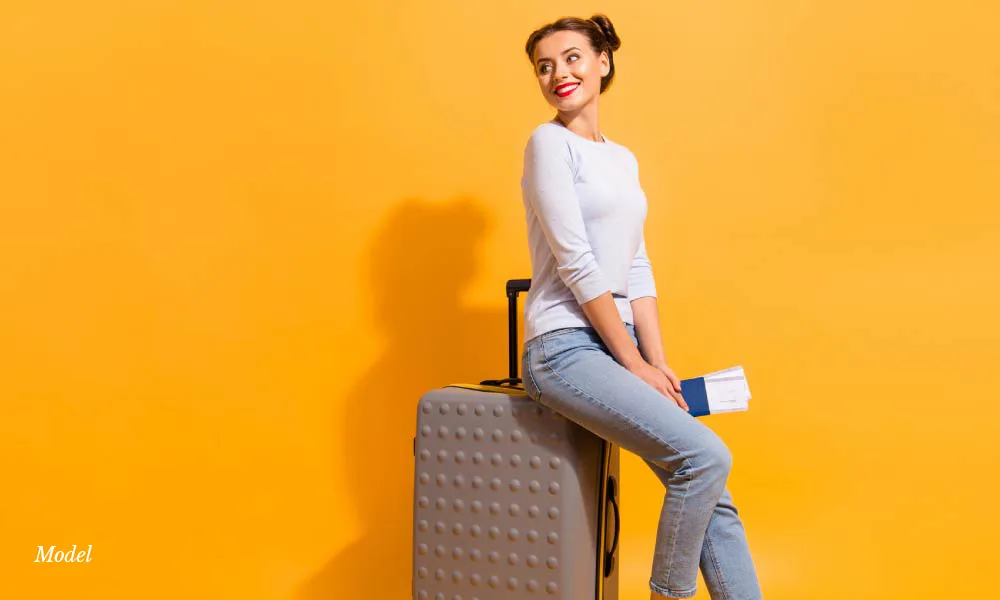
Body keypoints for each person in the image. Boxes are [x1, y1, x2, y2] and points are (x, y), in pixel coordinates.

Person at [519, 14, 764, 600]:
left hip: (618, 344)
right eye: (545, 66)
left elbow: (637, 267)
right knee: (704, 458)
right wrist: (633, 363)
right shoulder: (547, 144)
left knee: (711, 488)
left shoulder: (622, 160)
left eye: (572, 58)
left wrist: (659, 363)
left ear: (602, 61)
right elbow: (576, 263)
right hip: (563, 349)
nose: (559, 74)